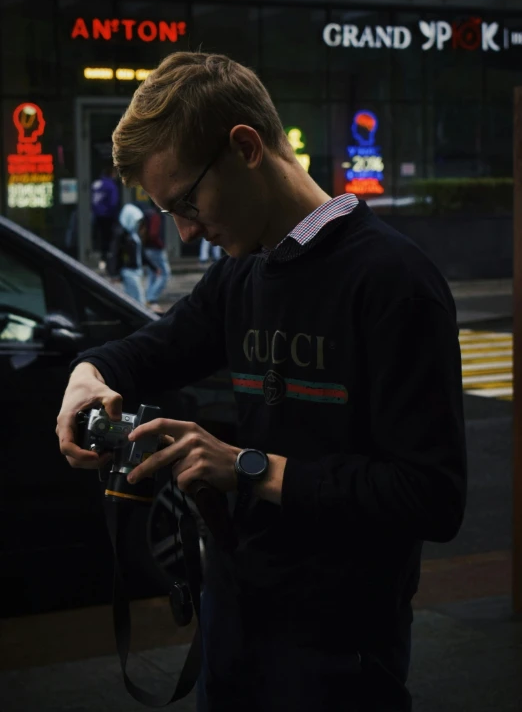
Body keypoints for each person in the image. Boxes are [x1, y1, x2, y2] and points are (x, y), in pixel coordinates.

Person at [56, 52, 467, 712]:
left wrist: (246, 467)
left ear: (244, 146)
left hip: (340, 647)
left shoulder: (394, 281)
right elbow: (148, 349)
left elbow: (432, 496)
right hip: (233, 620)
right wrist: (87, 376)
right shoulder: (240, 277)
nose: (187, 231)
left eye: (187, 202)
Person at [107, 203, 158, 305]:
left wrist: (153, 267)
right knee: (138, 302)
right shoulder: (122, 235)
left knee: (134, 301)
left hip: (136, 272)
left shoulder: (133, 234)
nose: (137, 223)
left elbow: (141, 254)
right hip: (129, 272)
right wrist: (114, 274)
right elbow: (115, 255)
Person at [142, 205, 172, 312]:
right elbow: (154, 234)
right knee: (165, 274)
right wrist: (161, 245)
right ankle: (151, 298)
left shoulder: (148, 214)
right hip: (156, 249)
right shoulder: (156, 216)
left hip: (148, 248)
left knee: (153, 274)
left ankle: (148, 299)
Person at [91, 164, 120, 269]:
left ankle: (102, 261)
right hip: (108, 217)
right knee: (108, 239)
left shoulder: (96, 184)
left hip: (97, 216)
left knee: (100, 238)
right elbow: (113, 202)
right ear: (112, 173)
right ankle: (107, 261)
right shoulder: (111, 185)